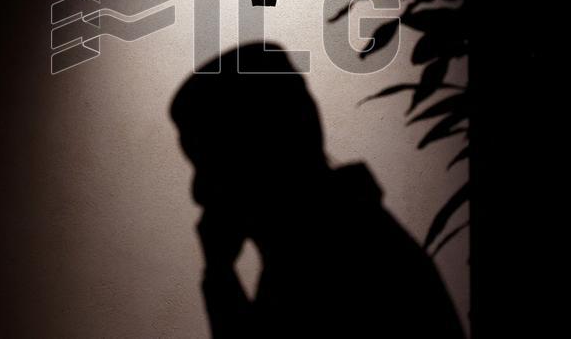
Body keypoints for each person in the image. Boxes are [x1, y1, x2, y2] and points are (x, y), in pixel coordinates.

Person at [170, 43, 466, 338]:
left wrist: (220, 278)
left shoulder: (327, 265)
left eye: (209, 162)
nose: (198, 192)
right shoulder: (332, 247)